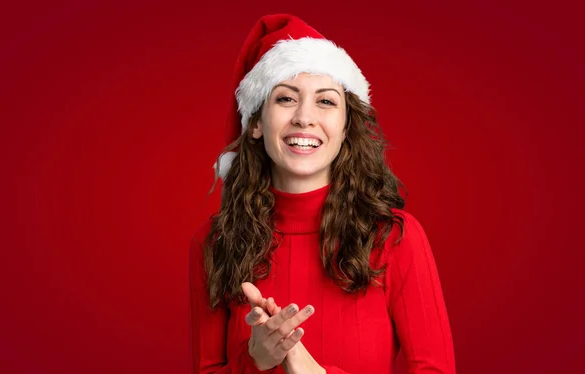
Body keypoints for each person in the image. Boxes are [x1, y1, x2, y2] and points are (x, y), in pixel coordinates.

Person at [189, 14, 456, 374]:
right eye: (285, 98)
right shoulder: (213, 242)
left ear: (346, 127)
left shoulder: (395, 239)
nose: (304, 117)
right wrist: (256, 361)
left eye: (326, 102)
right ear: (255, 123)